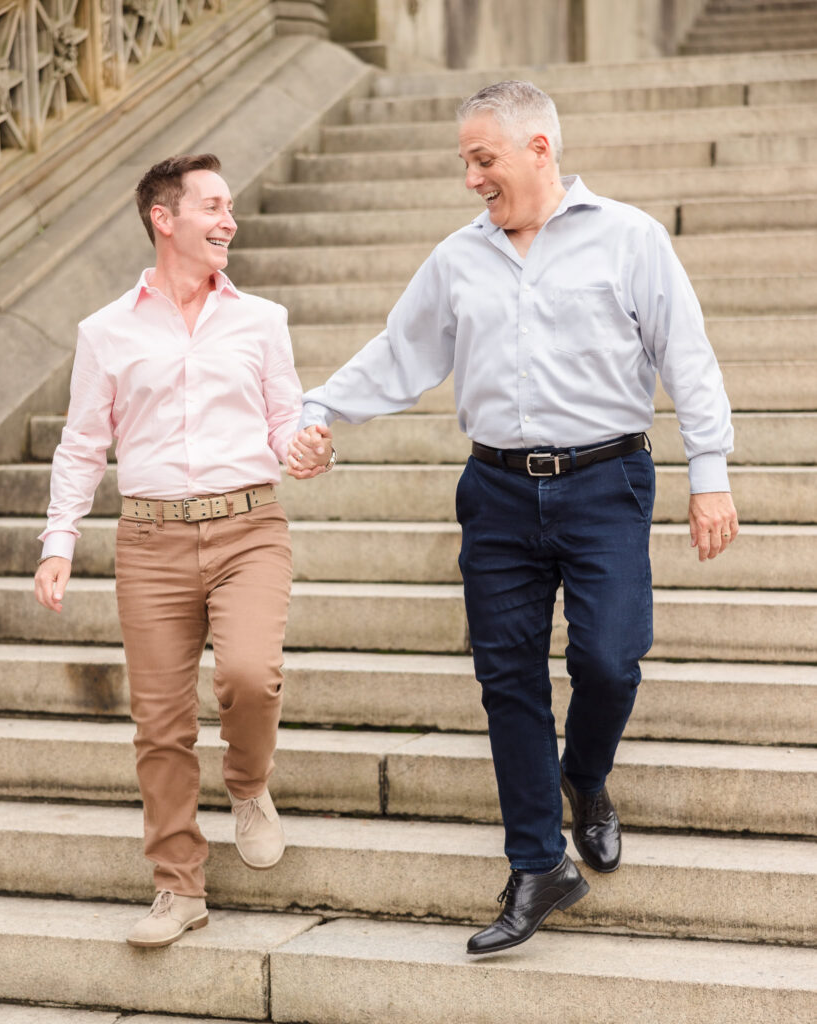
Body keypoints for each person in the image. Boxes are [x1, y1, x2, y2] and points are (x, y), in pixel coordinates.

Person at [290, 81, 738, 956]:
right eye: (464, 160)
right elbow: (399, 354)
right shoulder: (458, 258)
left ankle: (585, 775)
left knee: (609, 658)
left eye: (481, 158)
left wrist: (709, 474)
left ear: (538, 148)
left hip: (607, 482)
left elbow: (686, 356)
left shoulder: (629, 238)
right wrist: (318, 410)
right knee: (507, 681)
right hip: (494, 492)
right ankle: (537, 863)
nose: (469, 178)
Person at [34, 153, 334, 948]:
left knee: (248, 675)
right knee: (160, 725)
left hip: (249, 527)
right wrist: (58, 541)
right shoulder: (106, 331)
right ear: (163, 218)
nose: (226, 218)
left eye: (229, 205)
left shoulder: (260, 320)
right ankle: (178, 888)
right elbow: (81, 445)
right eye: (211, 205)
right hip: (150, 539)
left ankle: (247, 784)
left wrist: (301, 446)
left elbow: (281, 420)